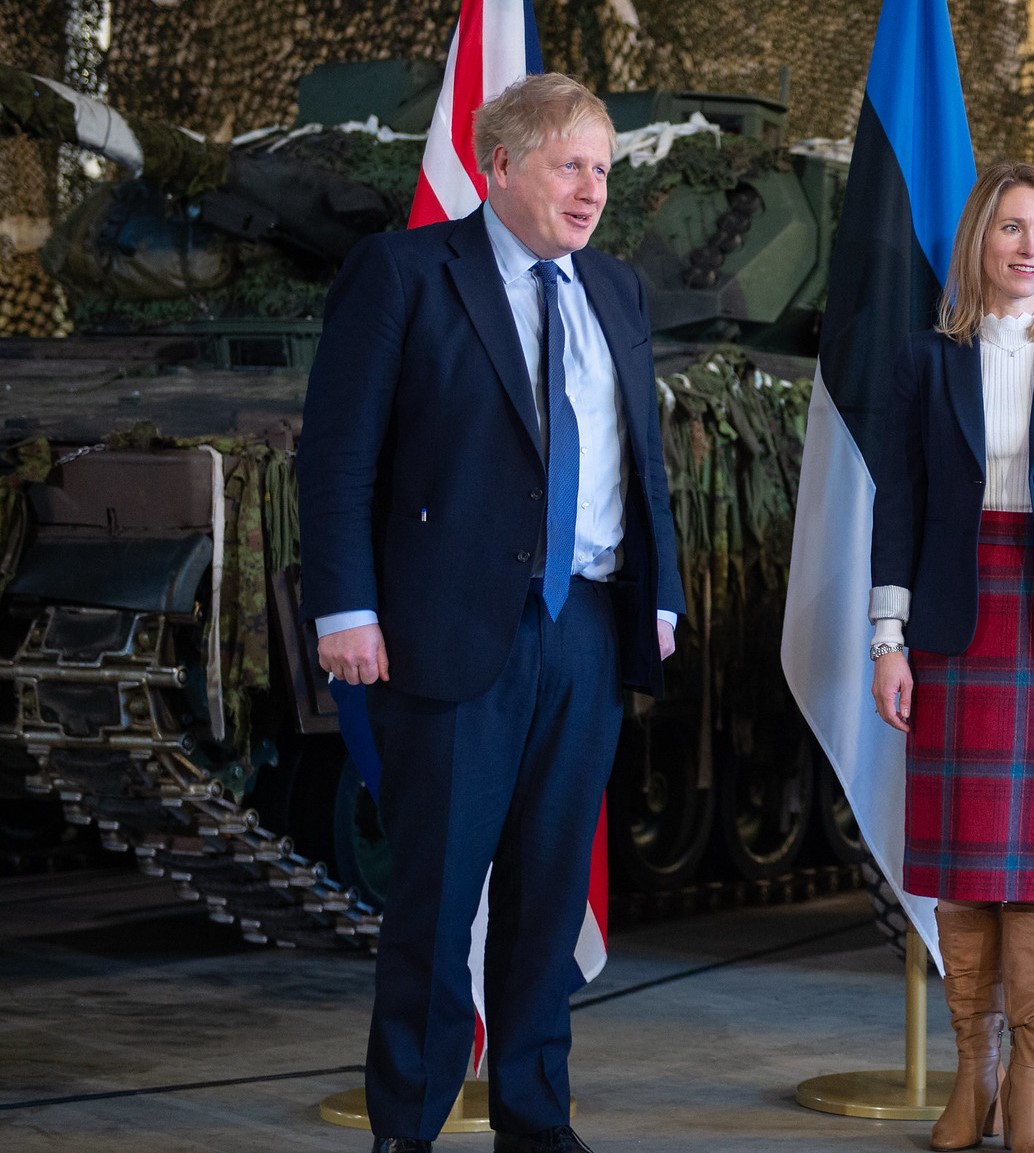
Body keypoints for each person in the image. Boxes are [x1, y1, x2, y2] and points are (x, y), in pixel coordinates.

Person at [297, 73, 685, 1153]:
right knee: (434, 906)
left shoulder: (616, 288)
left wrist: (661, 591)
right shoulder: (405, 273)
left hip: (588, 630)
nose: (593, 188)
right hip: (449, 631)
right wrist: (345, 607)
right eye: (571, 164)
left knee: (548, 902)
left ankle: (535, 1120)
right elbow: (335, 458)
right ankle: (406, 1131)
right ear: (501, 165)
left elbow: (638, 464)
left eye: (604, 168)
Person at [868, 161, 1034, 1153]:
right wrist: (887, 640)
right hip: (952, 621)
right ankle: (969, 1074)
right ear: (979, 240)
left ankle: (1031, 1076)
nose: (1032, 249)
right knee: (964, 861)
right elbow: (896, 503)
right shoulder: (923, 360)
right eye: (1013, 229)